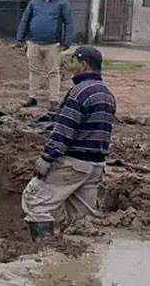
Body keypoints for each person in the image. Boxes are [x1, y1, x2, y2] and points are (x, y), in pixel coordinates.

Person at [21, 45, 116, 239]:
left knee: (35, 201)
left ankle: (45, 253)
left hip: (74, 162)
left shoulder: (80, 92)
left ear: (83, 65)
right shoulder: (107, 94)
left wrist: (47, 157)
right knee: (82, 221)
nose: (70, 65)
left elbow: (65, 131)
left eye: (73, 61)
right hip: (96, 165)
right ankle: (83, 259)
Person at [16, 0, 75, 110]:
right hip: (34, 42)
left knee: (53, 72)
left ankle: (54, 99)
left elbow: (69, 23)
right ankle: (32, 97)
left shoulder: (62, 3)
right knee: (34, 70)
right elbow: (25, 19)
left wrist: (66, 41)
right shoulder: (34, 2)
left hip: (53, 44)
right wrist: (20, 37)